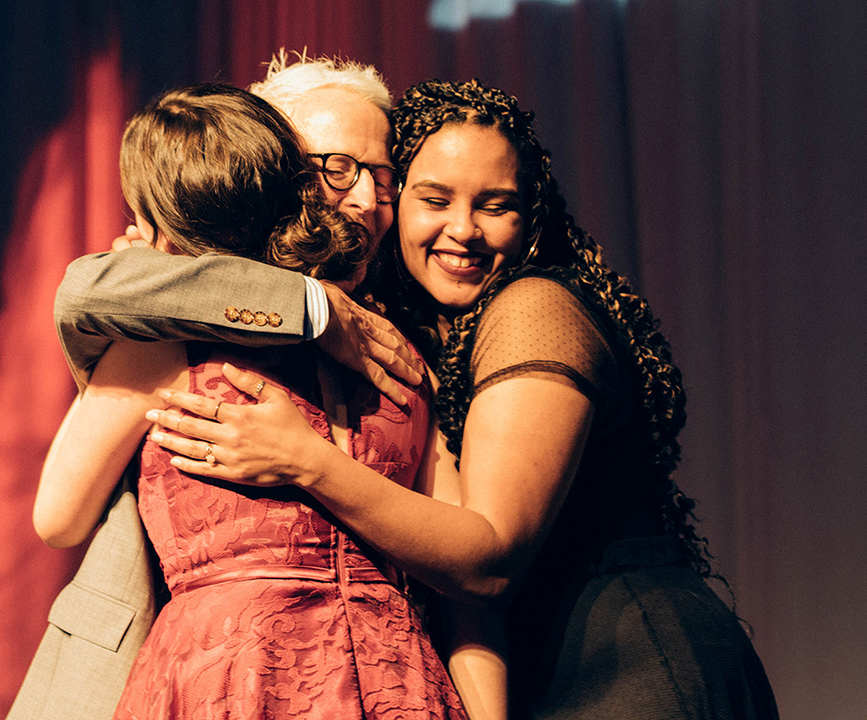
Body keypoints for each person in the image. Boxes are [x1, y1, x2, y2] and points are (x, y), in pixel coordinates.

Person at [142, 79, 781, 719]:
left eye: (495, 204)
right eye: (434, 198)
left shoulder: (532, 308)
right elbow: (98, 289)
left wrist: (308, 460)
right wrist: (309, 304)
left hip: (627, 669)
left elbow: (490, 562)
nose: (463, 230)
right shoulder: (391, 330)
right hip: (545, 669)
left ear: (531, 217)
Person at [32, 82, 468, 719]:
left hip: (232, 672)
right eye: (340, 169)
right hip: (394, 676)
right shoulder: (393, 353)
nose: (369, 198)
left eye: (383, 175)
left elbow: (57, 517)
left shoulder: (161, 343)